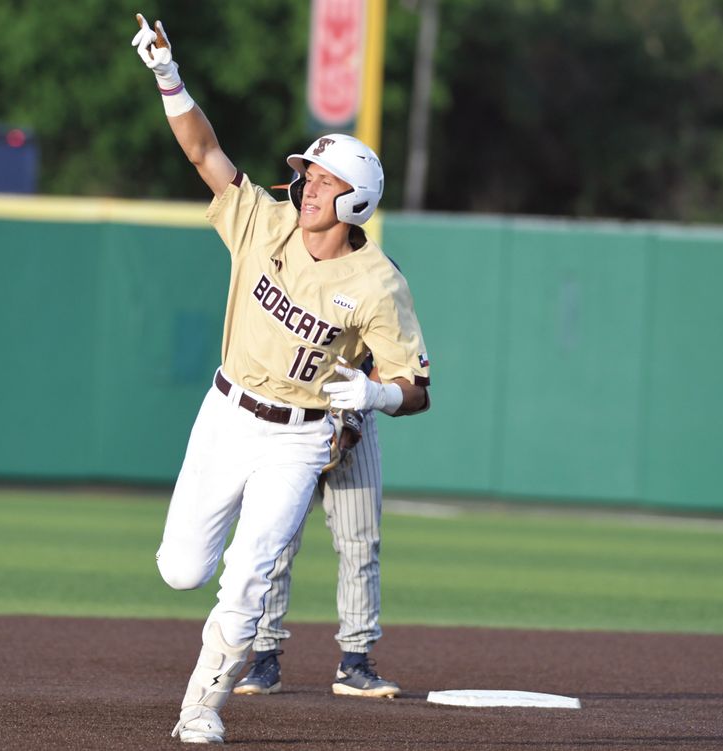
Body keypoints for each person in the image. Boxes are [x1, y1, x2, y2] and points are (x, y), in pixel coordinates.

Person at [132, 14, 431, 744]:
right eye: (307, 174)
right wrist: (168, 76)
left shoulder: (377, 282)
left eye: (324, 181)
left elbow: (417, 385)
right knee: (179, 569)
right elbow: (204, 152)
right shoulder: (264, 222)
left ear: (356, 199)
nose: (306, 186)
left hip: (299, 440)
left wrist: (379, 393)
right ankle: (207, 666)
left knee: (250, 574)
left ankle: (201, 706)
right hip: (227, 411)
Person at [233, 364, 400, 699]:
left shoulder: (380, 309)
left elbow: (391, 364)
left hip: (356, 412)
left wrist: (353, 414)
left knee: (360, 544)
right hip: (292, 417)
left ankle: (354, 663)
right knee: (275, 544)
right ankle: (263, 660)